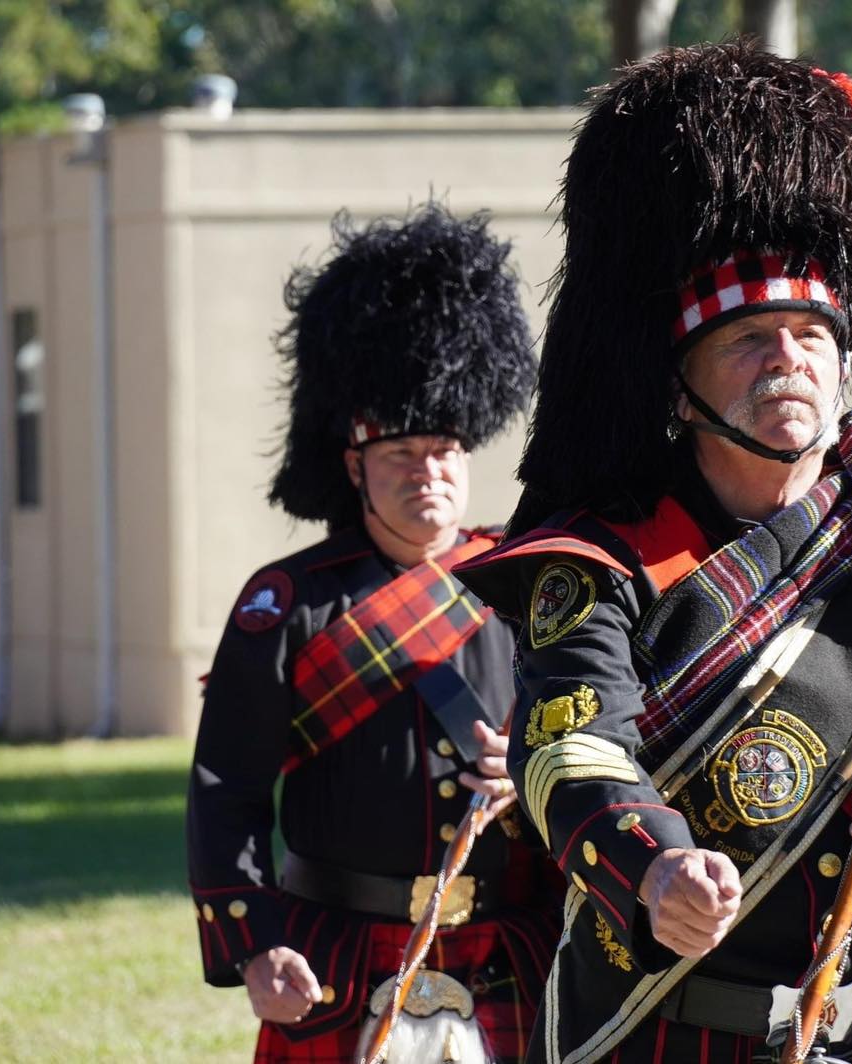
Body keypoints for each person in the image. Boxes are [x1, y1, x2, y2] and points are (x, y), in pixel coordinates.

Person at [454, 42, 852, 1064]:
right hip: (671, 1037)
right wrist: (654, 867)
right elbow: (568, 748)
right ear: (678, 382)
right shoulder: (597, 558)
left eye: (810, 336)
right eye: (748, 340)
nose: (788, 360)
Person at [185, 205, 558, 1063]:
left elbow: (605, 735)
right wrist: (254, 941)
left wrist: (533, 770)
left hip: (507, 956)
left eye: (444, 450)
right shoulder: (288, 604)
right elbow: (227, 790)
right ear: (354, 465)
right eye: (400, 454)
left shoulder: (526, 583)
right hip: (339, 959)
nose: (427, 473)